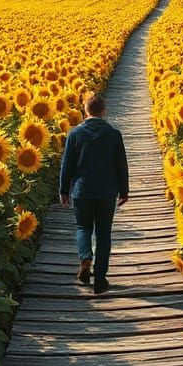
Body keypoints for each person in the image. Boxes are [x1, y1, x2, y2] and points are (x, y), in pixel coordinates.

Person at [59, 92, 129, 295]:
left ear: (85, 110)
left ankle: (85, 256)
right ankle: (100, 280)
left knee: (83, 227)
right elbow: (121, 166)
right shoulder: (114, 134)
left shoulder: (74, 134)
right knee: (104, 233)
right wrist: (124, 191)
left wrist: (64, 190)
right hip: (107, 191)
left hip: (82, 190)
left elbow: (67, 165)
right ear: (104, 111)